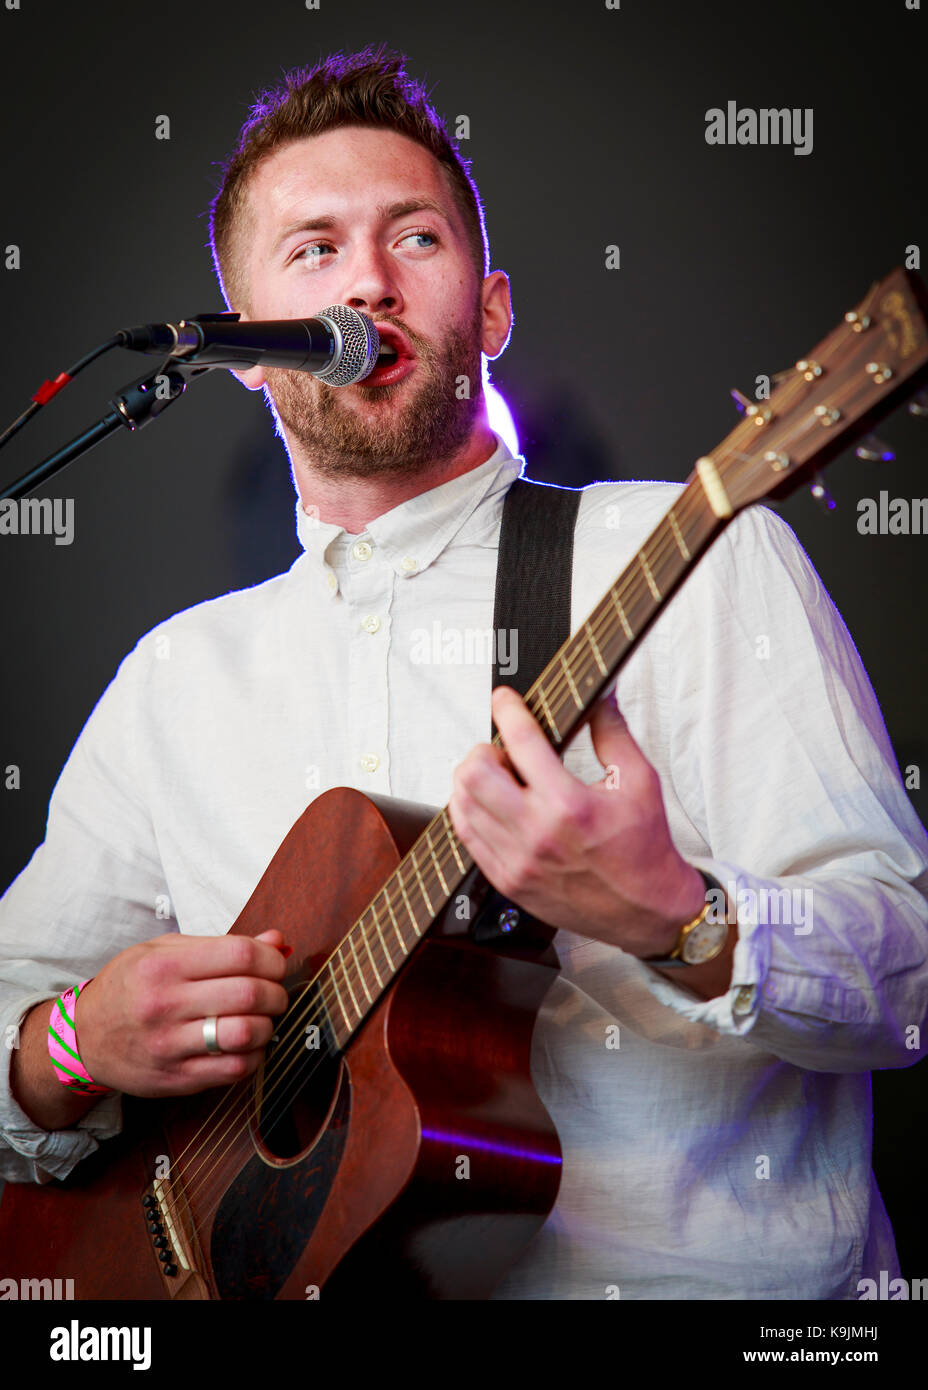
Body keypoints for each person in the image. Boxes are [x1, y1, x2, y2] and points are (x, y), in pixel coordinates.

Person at [1, 45, 926, 1301]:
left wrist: (681, 920)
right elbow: (20, 1024)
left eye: (414, 238)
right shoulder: (176, 682)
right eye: (314, 251)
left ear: (488, 310)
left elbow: (908, 974)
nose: (368, 282)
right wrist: (68, 1044)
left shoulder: (700, 554)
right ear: (252, 353)